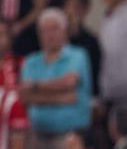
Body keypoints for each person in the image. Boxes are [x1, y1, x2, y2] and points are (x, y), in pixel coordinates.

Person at [19, 9, 92, 138]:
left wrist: (35, 86)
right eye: (44, 30)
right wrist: (60, 97)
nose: (49, 34)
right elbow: (25, 96)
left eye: (54, 29)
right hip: (36, 133)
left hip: (70, 134)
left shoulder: (78, 55)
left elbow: (69, 83)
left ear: (65, 31)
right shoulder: (30, 61)